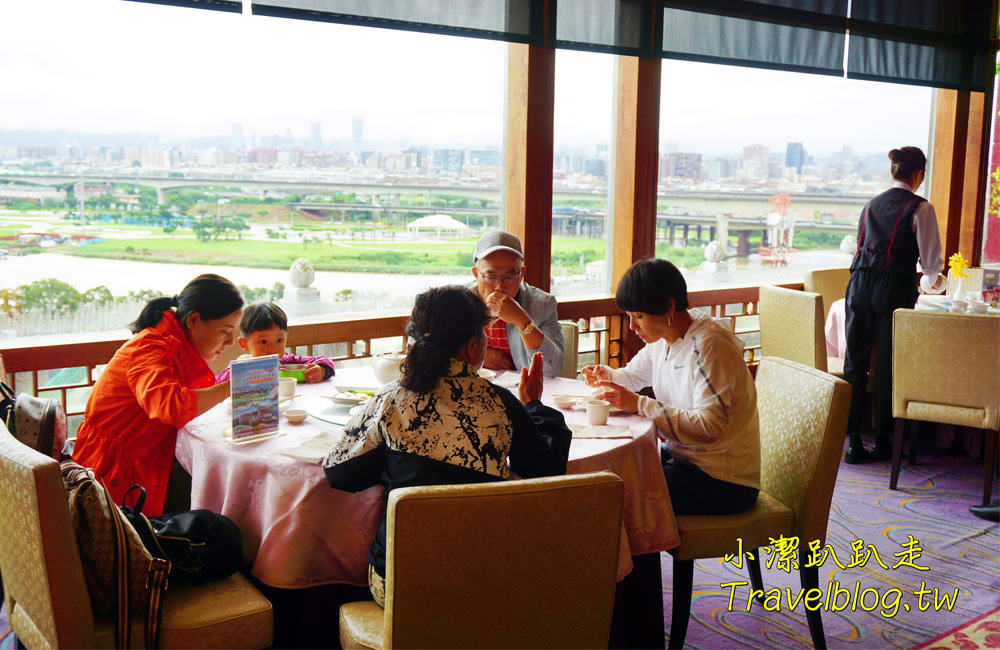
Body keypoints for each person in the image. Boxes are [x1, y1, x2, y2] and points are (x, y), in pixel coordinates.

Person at [323, 285, 572, 607]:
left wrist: (396, 458)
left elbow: (340, 475)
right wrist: (534, 406)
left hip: (400, 587)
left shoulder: (392, 399)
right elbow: (544, 470)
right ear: (472, 346)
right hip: (485, 579)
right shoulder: (499, 402)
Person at [581, 258, 759, 516]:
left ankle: (639, 557)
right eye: (629, 316)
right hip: (687, 458)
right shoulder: (663, 338)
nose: (632, 326)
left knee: (621, 493)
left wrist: (640, 404)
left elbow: (710, 426)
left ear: (669, 307)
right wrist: (606, 376)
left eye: (639, 316)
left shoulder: (709, 346)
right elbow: (631, 376)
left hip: (723, 478)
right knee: (614, 473)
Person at [73, 274, 243, 516]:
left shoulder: (174, 346)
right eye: (225, 331)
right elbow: (170, 406)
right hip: (111, 475)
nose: (230, 342)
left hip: (145, 461)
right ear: (194, 320)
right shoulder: (149, 348)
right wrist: (230, 388)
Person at [843, 147, 943, 464]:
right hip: (893, 287)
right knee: (889, 363)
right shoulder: (921, 208)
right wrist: (935, 284)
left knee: (855, 363)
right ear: (919, 175)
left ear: (893, 172)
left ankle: (853, 442)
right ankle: (885, 440)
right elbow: (930, 269)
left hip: (858, 283)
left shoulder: (871, 204)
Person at [469, 230, 564, 377]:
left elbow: (551, 369)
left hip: (521, 393)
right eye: (491, 276)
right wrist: (480, 356)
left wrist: (522, 320)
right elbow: (434, 355)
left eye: (509, 276)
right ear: (476, 274)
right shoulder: (459, 302)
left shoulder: (542, 304)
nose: (499, 286)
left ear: (521, 275)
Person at [213, 302, 335, 383]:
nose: (272, 348)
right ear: (244, 344)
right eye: (263, 341)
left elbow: (324, 359)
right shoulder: (240, 366)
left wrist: (322, 370)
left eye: (279, 340)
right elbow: (216, 383)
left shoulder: (286, 361)